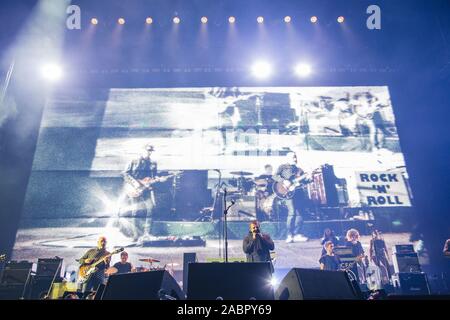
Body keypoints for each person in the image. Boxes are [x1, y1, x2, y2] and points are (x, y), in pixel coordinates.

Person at [121, 144, 170, 243]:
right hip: (134, 188)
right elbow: (125, 173)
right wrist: (135, 183)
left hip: (146, 189)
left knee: (150, 209)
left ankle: (146, 233)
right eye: (148, 150)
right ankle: (135, 235)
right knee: (135, 211)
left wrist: (160, 179)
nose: (149, 153)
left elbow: (153, 176)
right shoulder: (133, 161)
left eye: (151, 151)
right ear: (142, 150)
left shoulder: (153, 163)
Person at [274, 151, 309, 243]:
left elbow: (302, 182)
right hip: (287, 193)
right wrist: (284, 181)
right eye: (293, 157)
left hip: (298, 193)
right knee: (292, 212)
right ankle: (289, 235)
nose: (295, 159)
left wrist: (308, 180)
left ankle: (297, 234)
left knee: (300, 214)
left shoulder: (299, 170)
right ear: (288, 158)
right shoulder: (282, 167)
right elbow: (274, 176)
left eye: (296, 157)